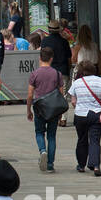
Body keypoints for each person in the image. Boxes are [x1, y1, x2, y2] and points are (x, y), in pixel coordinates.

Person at [68, 60, 101, 176]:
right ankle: (95, 165)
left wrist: (79, 106)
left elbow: (73, 101)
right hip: (96, 114)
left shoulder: (77, 83)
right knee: (95, 140)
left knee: (82, 139)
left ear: (81, 71)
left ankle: (81, 165)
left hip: (80, 115)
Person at [26, 45, 62, 173]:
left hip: (39, 108)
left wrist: (28, 110)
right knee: (52, 136)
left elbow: (30, 94)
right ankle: (50, 164)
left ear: (40, 57)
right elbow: (60, 94)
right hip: (53, 109)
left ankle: (42, 151)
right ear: (51, 59)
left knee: (39, 132)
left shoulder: (34, 74)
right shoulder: (57, 74)